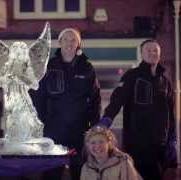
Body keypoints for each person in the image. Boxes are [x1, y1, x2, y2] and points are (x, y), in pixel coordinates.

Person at [98, 39, 177, 180]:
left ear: (159, 54)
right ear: (141, 53)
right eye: (148, 50)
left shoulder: (165, 82)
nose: (152, 53)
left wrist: (173, 138)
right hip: (137, 143)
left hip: (160, 144)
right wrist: (106, 119)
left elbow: (170, 113)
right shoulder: (131, 76)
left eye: (155, 51)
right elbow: (117, 99)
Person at [30, 28, 101, 180]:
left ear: (78, 44)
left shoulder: (87, 67)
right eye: (66, 39)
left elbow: (95, 98)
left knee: (80, 171)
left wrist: (95, 125)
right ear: (59, 42)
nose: (70, 43)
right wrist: (40, 124)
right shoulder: (48, 67)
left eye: (73, 40)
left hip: (79, 130)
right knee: (52, 172)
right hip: (53, 131)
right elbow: (38, 97)